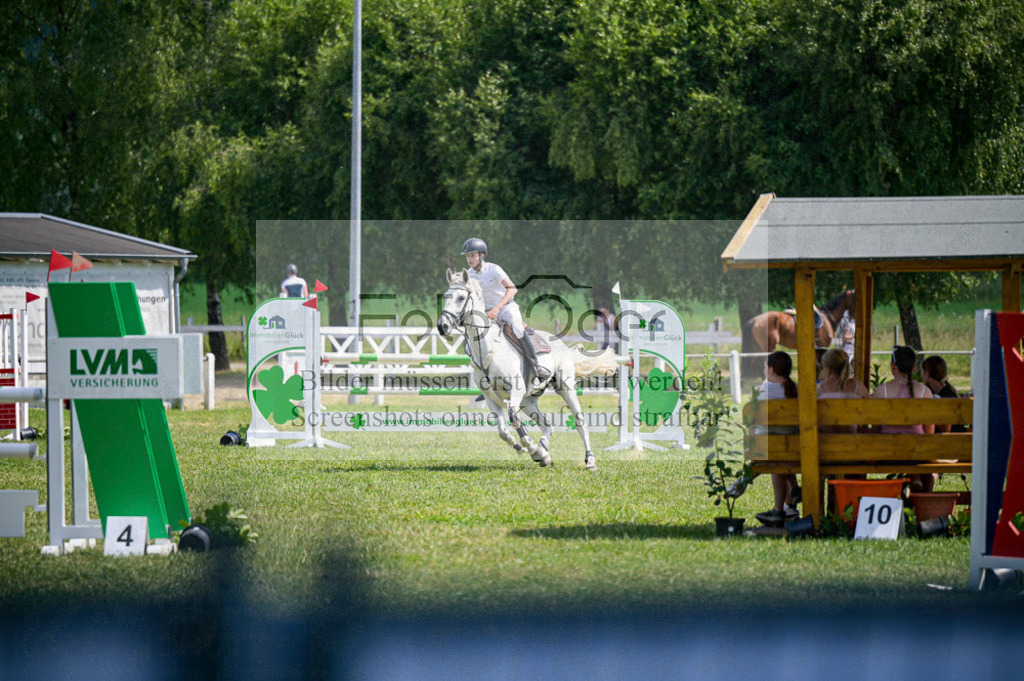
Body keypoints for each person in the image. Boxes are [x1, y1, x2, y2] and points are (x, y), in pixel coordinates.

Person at [460, 238, 550, 388]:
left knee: (518, 330)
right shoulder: (468, 275)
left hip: (506, 309)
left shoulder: (494, 269)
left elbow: (512, 288)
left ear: (482, 255)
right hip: (486, 314)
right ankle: (486, 379)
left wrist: (497, 308)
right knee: (470, 341)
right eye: (467, 256)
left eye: (472, 255)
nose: (469, 259)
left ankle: (537, 367)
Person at [871, 345, 934, 492]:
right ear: (914, 367)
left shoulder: (881, 391)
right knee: (927, 468)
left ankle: (905, 486)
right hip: (918, 450)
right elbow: (929, 432)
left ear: (893, 366)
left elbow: (875, 429)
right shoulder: (925, 391)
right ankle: (918, 492)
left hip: (887, 451)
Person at [753, 351, 801, 527]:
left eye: (766, 366)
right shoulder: (795, 389)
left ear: (771, 369)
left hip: (770, 447)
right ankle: (790, 504)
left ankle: (779, 509)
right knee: (782, 453)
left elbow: (754, 420)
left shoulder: (764, 390)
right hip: (794, 447)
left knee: (776, 459)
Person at [817, 348, 869, 433]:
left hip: (824, 441)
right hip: (851, 439)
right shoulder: (858, 386)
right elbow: (872, 409)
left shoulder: (818, 389)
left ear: (827, 368)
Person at [921, 355, 965, 433]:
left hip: (951, 439)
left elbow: (946, 429)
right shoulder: (948, 391)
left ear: (927, 373)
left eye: (922, 371)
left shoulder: (946, 395)